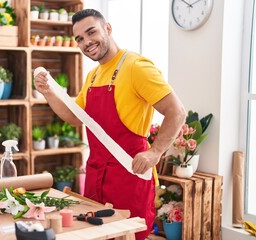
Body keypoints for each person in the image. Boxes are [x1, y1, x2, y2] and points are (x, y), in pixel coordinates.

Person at [33, 9, 186, 239]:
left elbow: (177, 111)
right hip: (96, 176)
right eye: (80, 39)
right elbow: (76, 117)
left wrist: (155, 152)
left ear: (108, 28)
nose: (86, 42)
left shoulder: (136, 67)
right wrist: (48, 93)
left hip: (129, 176)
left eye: (91, 32)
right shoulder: (93, 76)